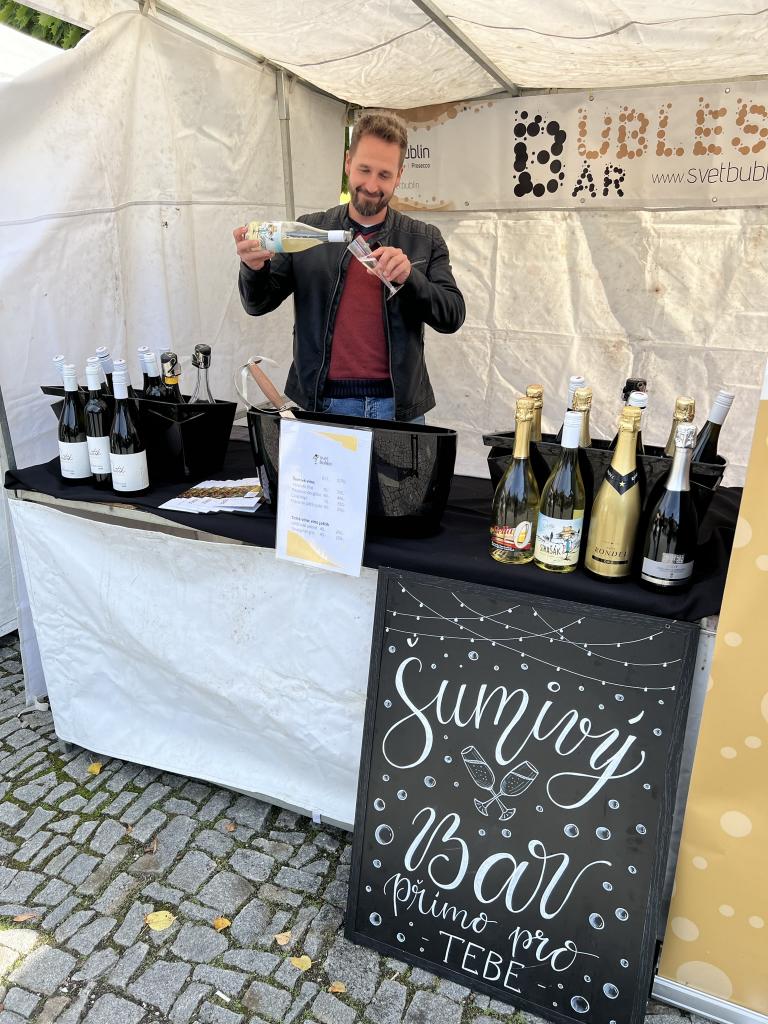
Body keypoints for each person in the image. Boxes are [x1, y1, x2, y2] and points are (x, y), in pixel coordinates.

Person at [234, 110, 465, 423]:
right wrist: (253, 267)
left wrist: (410, 277)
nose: (371, 185)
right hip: (321, 405)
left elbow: (452, 316)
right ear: (347, 162)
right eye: (364, 170)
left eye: (384, 175)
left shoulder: (423, 238)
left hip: (398, 410)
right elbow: (258, 303)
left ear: (399, 175)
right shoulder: (308, 230)